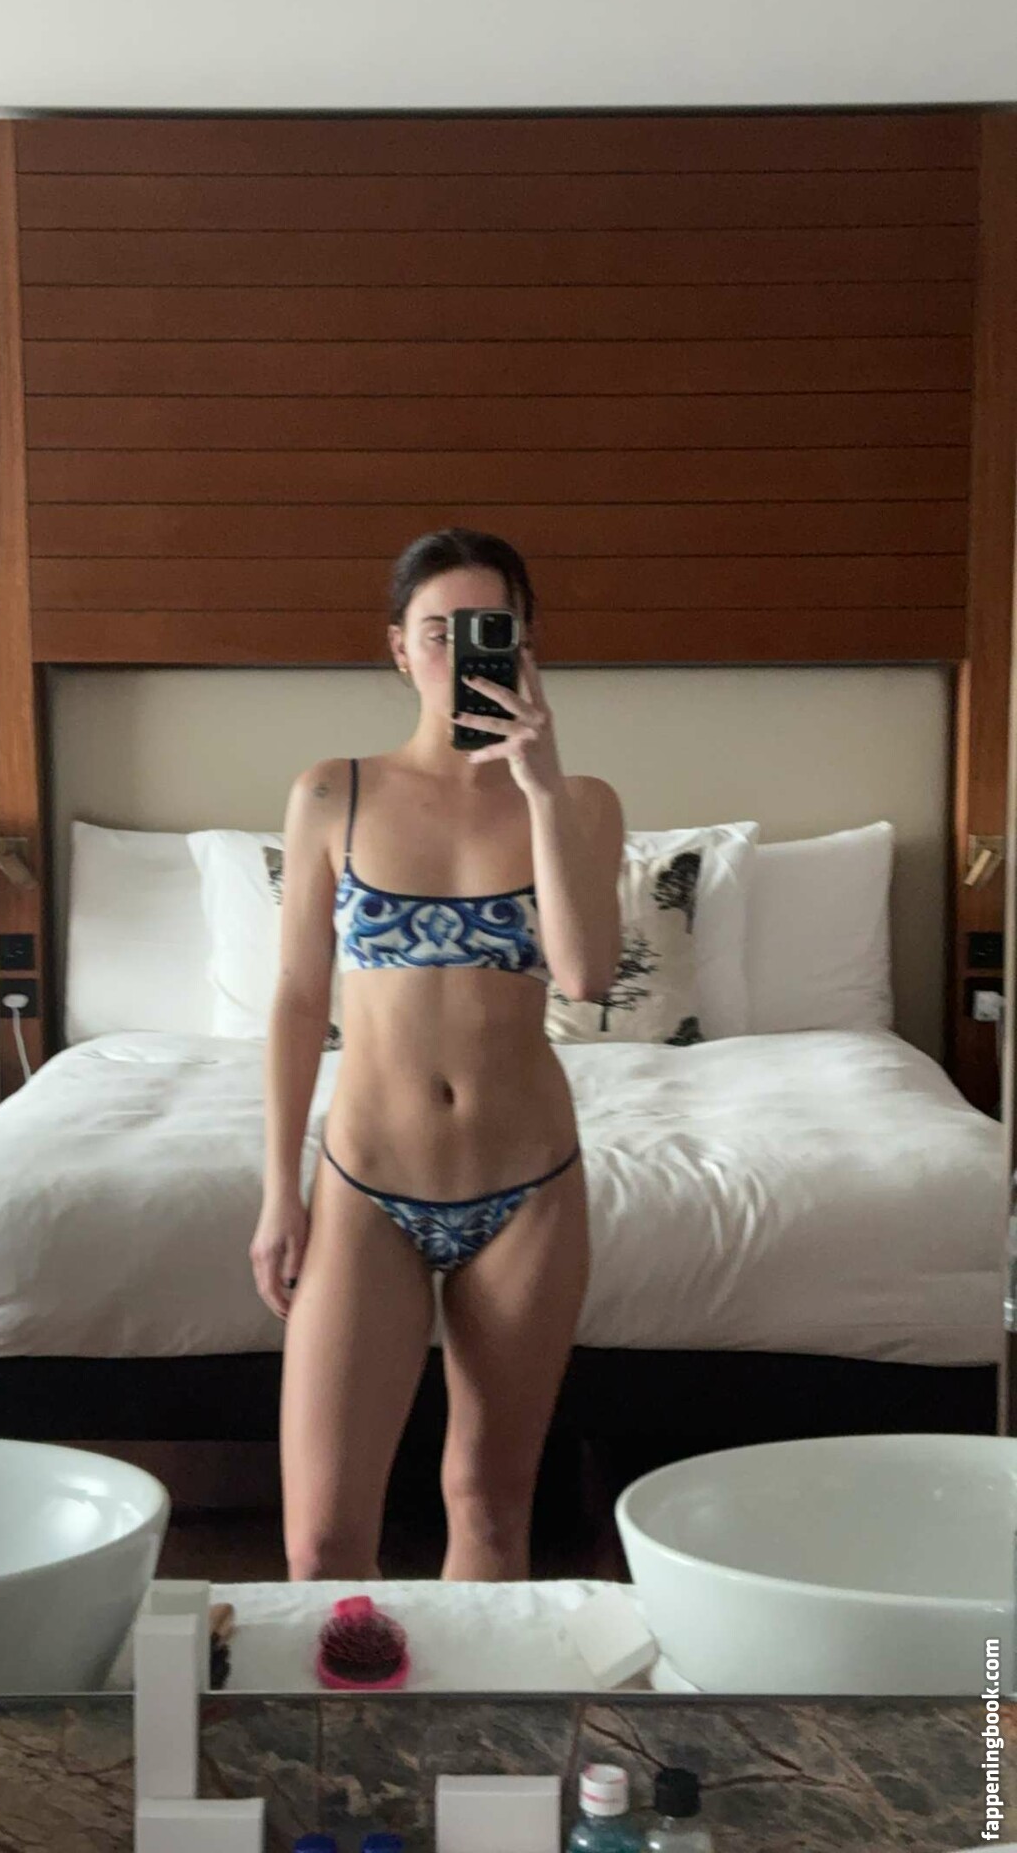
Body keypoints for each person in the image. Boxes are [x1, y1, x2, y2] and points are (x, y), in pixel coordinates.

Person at [249, 527, 624, 1581]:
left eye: (486, 630)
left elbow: (587, 976)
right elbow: (297, 1001)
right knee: (323, 1542)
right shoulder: (332, 793)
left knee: (491, 1514)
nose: (460, 654)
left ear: (527, 644)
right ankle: (351, 1699)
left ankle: (468, 1698)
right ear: (399, 649)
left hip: (528, 1190)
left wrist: (540, 788)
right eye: (435, 631)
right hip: (366, 1185)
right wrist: (279, 1191)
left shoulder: (583, 803)